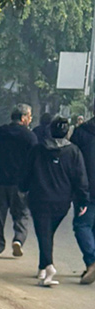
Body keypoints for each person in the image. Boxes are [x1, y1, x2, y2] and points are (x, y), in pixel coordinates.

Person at [22, 117, 89, 287]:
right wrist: (82, 201)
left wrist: (22, 189)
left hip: (39, 198)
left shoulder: (37, 150)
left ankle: (49, 267)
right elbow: (80, 179)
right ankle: (42, 267)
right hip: (62, 201)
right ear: (67, 132)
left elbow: (26, 173)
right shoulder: (74, 152)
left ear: (50, 131)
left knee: (43, 232)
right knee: (47, 232)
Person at [0, 104, 35, 256]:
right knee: (22, 214)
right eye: (30, 116)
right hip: (20, 184)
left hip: (0, 181)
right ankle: (18, 239)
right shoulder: (29, 136)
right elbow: (35, 160)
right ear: (23, 118)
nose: (30, 119)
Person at [71, 111, 95, 283]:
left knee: (82, 225)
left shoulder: (82, 133)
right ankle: (90, 265)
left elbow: (72, 161)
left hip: (86, 189)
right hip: (86, 189)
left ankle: (92, 261)